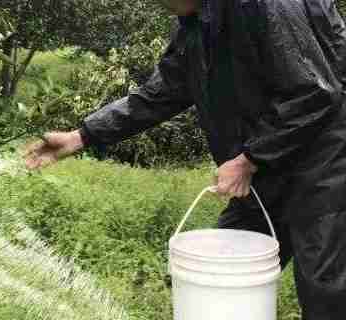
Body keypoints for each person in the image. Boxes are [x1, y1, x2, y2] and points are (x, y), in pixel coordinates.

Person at [23, 0, 346, 319]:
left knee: (324, 287)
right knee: (223, 268)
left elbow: (315, 91)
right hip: (268, 163)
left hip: (325, 158)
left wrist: (248, 159)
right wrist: (82, 136)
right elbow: (158, 94)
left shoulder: (267, 5)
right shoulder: (198, 25)